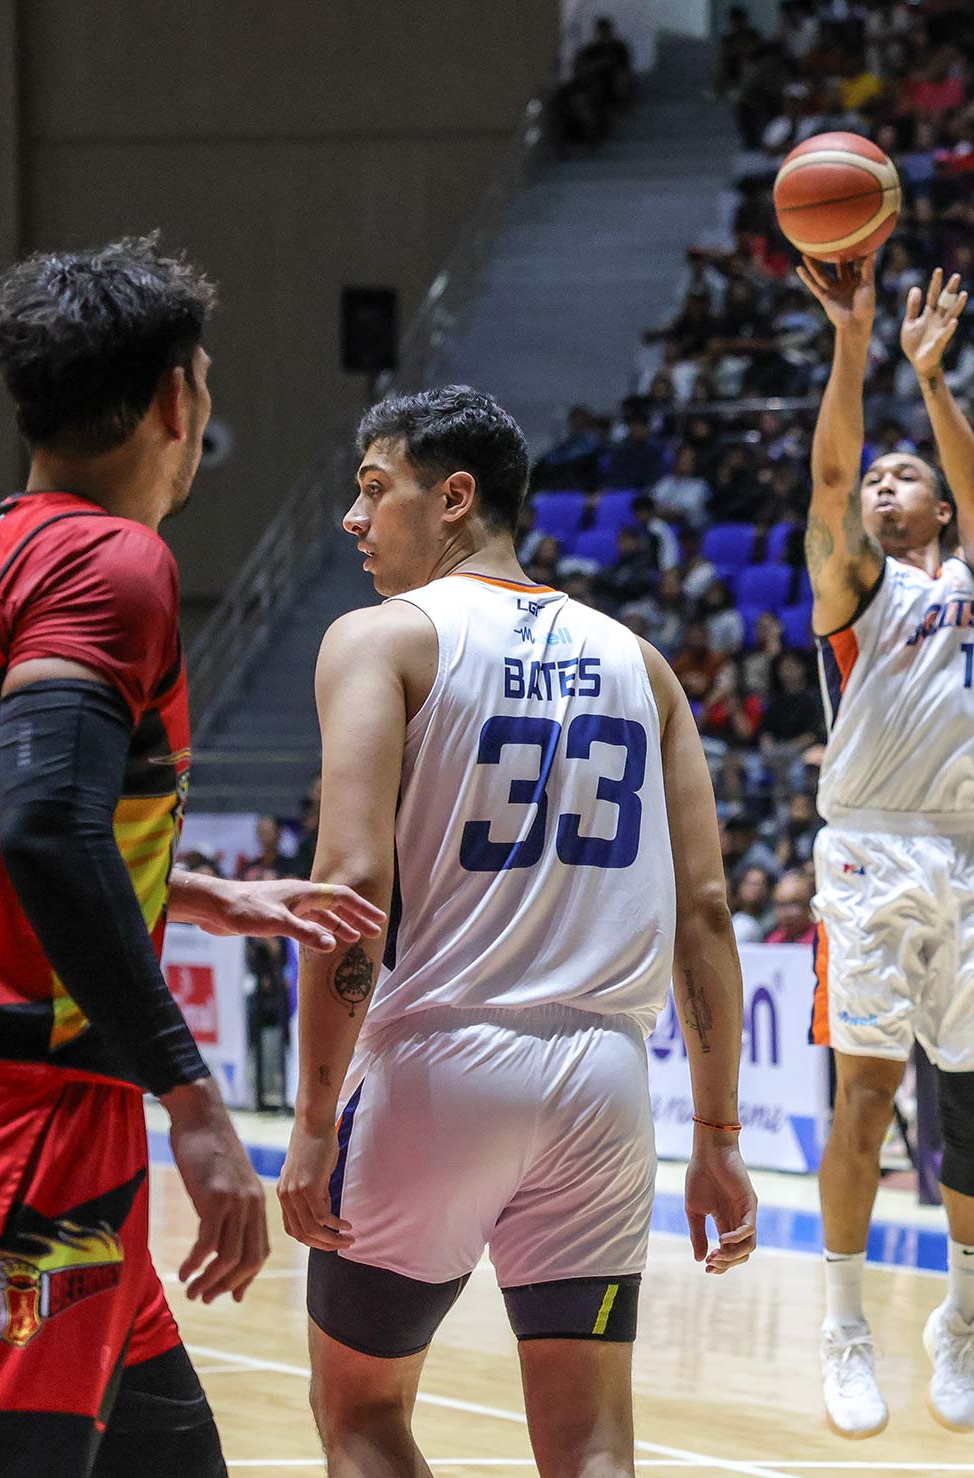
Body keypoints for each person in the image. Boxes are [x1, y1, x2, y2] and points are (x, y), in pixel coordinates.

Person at [0, 238, 385, 1477]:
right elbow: (44, 825)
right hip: (11, 1136)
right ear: (176, 400)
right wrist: (195, 1104)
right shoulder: (110, 559)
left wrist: (191, 891)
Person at [277, 386, 758, 1478]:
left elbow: (347, 884)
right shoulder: (642, 661)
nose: (353, 521)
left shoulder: (381, 641)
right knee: (590, 1441)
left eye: (372, 489)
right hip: (603, 1079)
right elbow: (707, 911)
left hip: (441, 1064)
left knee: (360, 1409)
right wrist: (719, 1137)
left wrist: (313, 1114)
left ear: (453, 498)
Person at [795, 258, 974, 1438]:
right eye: (877, 477)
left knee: (968, 1112)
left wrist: (931, 384)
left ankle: (963, 1316)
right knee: (867, 1098)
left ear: (932, 509)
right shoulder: (850, 588)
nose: (883, 483)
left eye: (905, 477)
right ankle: (843, 1320)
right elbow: (830, 474)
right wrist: (856, 342)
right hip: (872, 853)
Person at [765, 869, 819, 945]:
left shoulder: (820, 940)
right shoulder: (773, 941)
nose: (784, 914)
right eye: (780, 906)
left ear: (808, 907)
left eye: (792, 905)